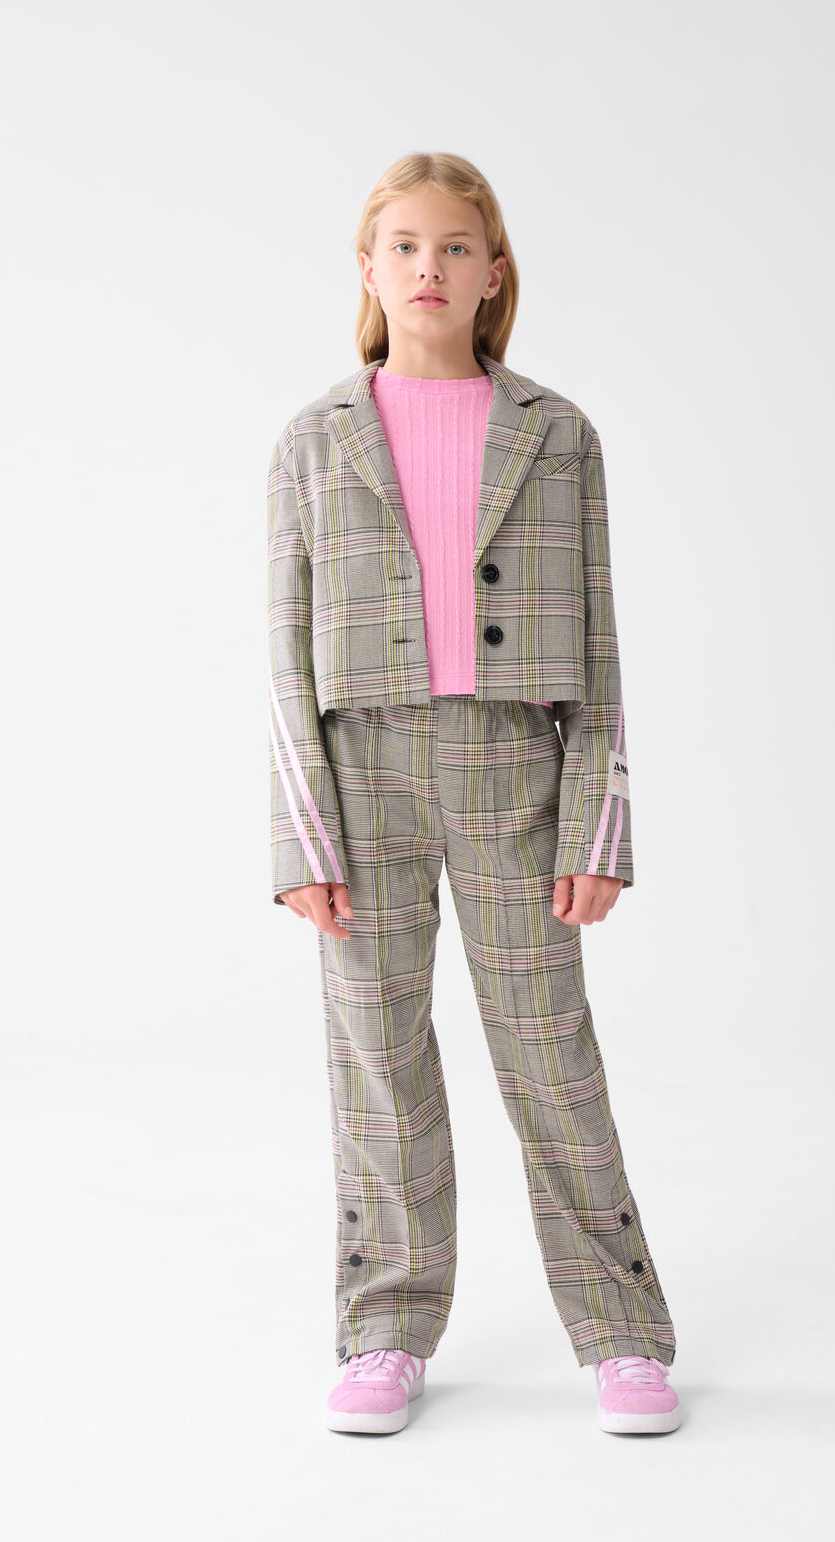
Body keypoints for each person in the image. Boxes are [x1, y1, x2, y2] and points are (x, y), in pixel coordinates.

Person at [267, 152, 680, 1436]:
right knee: (378, 1056)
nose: (429, 268)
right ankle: (384, 1325)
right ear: (367, 267)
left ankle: (620, 1329)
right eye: (404, 245)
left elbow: (600, 645)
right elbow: (281, 653)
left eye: (455, 246)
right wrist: (300, 831)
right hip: (362, 772)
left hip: (517, 767)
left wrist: (598, 822)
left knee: (549, 1050)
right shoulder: (314, 440)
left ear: (494, 272)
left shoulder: (558, 434)